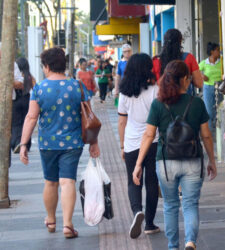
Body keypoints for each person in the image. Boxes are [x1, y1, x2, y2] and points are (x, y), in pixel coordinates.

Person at [133, 60, 217, 250]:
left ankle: (172, 246)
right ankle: (190, 241)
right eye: (188, 79)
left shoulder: (158, 104)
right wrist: (211, 160)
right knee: (190, 204)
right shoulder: (196, 103)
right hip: (193, 160)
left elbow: (148, 135)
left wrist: (138, 164)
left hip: (165, 162)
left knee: (170, 205)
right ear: (185, 80)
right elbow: (206, 135)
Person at [19, 47, 100, 239]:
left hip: (48, 144)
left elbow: (31, 117)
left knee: (51, 182)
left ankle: (51, 219)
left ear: (46, 66)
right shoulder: (77, 86)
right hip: (72, 143)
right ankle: (68, 225)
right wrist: (94, 142)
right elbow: (89, 116)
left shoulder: (39, 89)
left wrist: (24, 144)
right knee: (67, 181)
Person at [117, 53, 160, 239]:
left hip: (132, 142)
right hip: (153, 141)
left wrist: (122, 146)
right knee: (152, 181)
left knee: (133, 180)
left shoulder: (124, 92)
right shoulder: (155, 90)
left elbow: (121, 122)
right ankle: (149, 223)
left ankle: (137, 211)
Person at [152, 29, 203, 94]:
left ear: (164, 42)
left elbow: (153, 85)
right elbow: (199, 83)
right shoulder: (189, 58)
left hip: (163, 100)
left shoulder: (155, 61)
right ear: (180, 41)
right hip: (185, 102)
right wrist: (189, 78)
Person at [11, 57, 36, 154]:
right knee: (26, 122)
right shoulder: (29, 77)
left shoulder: (15, 77)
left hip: (16, 100)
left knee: (16, 123)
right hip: (27, 100)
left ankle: (17, 142)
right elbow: (36, 89)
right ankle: (26, 144)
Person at [199, 42, 222, 129]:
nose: (219, 52)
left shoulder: (222, 62)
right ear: (212, 52)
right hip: (208, 88)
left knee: (219, 110)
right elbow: (195, 71)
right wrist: (202, 76)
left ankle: (219, 130)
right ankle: (210, 131)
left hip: (219, 87)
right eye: (217, 50)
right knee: (209, 111)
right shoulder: (204, 63)